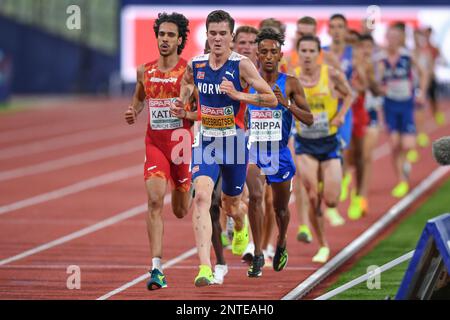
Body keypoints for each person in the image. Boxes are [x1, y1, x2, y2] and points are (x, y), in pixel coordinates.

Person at [171, 10, 277, 286]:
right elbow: (185, 84)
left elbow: (270, 99)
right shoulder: (196, 64)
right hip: (206, 142)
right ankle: (204, 267)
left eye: (223, 34)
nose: (218, 39)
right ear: (207, 36)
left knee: (232, 206)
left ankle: (240, 226)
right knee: (203, 198)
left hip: (234, 144)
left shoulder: (242, 65)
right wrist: (180, 103)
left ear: (231, 36)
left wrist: (238, 94)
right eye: (213, 33)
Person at [123, 12, 192, 290]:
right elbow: (139, 98)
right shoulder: (145, 70)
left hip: (181, 145)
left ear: (180, 39)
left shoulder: (189, 71)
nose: (164, 39)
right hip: (155, 144)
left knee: (179, 210)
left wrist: (187, 110)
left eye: (170, 35)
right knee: (153, 201)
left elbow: (199, 108)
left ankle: (189, 188)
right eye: (161, 34)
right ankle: (156, 269)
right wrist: (133, 111)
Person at [246, 27, 313, 277]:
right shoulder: (250, 82)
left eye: (273, 52)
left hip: (280, 153)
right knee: (254, 196)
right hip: (256, 151)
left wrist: (287, 104)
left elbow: (310, 119)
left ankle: (282, 240)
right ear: (257, 55)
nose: (269, 56)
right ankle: (258, 253)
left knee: (280, 209)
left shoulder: (291, 83)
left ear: (281, 54)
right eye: (263, 52)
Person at [294, 35, 353, 263]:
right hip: (305, 143)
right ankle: (322, 245)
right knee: (312, 195)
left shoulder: (332, 74)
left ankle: (327, 199)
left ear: (318, 53)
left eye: (311, 51)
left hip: (328, 143)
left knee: (331, 200)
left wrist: (340, 115)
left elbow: (350, 94)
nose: (307, 55)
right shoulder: (293, 78)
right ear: (298, 53)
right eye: (304, 51)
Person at [377, 24, 427, 198]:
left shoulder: (407, 56)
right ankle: (401, 180)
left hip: (406, 104)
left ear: (400, 39)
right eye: (389, 37)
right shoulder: (381, 59)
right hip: (389, 106)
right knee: (394, 144)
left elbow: (423, 72)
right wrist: (379, 88)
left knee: (408, 145)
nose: (391, 40)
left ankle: (405, 165)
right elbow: (376, 82)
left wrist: (421, 92)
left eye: (394, 37)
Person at [323, 14, 355, 222]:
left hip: (345, 110)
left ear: (345, 30)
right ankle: (328, 201)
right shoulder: (321, 53)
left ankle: (334, 198)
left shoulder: (354, 53)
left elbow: (360, 82)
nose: (336, 30)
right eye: (332, 26)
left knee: (340, 153)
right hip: (322, 111)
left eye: (340, 27)